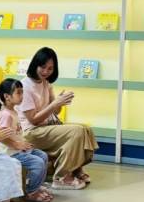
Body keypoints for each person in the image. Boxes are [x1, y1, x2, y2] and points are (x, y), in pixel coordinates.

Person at [17, 47, 98, 190]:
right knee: (76, 131)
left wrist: (59, 102)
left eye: (50, 68)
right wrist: (54, 104)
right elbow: (33, 120)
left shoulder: (46, 83)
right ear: (35, 64)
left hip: (46, 127)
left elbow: (56, 112)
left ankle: (75, 168)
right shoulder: (25, 86)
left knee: (85, 129)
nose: (46, 71)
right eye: (43, 67)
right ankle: (61, 177)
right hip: (32, 132)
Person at [0, 79, 53, 202]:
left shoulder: (13, 111)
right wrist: (16, 144)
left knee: (43, 156)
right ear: (7, 96)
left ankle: (36, 186)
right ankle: (31, 192)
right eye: (18, 93)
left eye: (22, 92)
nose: (22, 96)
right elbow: (1, 137)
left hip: (19, 150)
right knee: (37, 163)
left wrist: (22, 143)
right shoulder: (6, 114)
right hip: (11, 153)